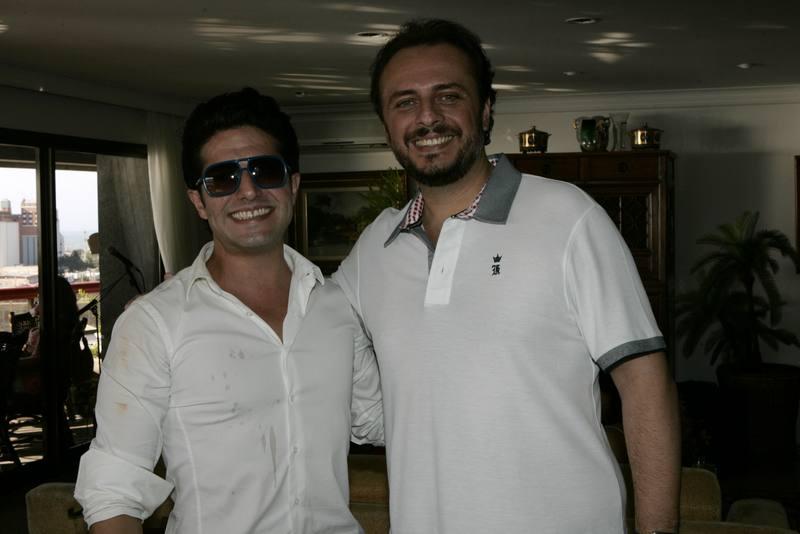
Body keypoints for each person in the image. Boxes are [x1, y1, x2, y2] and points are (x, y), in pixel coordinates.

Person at [333, 19, 681, 534]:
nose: (427, 117)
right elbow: (307, 322)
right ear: (386, 125)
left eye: (448, 96)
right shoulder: (374, 249)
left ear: (485, 109)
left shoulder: (568, 218)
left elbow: (645, 384)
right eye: (405, 102)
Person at [75, 88, 383, 534]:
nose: (249, 191)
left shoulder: (335, 306)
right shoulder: (154, 323)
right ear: (199, 201)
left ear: (293, 185)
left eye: (265, 171)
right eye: (222, 179)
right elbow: (114, 489)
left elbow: (381, 418)